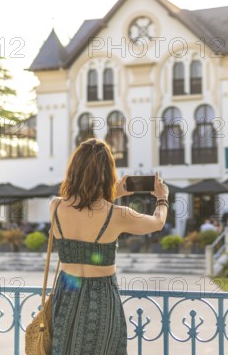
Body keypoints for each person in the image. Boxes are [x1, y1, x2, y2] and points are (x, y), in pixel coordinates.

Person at [49, 138, 169, 355]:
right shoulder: (117, 215)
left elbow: (85, 205)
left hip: (66, 294)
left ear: (74, 169)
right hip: (100, 298)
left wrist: (113, 192)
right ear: (107, 173)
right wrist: (162, 199)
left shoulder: (55, 206)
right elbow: (157, 222)